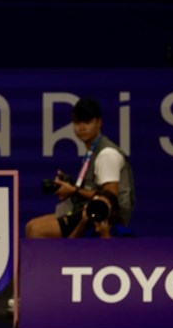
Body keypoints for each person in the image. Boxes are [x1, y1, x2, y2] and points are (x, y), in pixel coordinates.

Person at [24, 97, 135, 238]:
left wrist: (74, 190)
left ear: (99, 122)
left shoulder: (107, 154)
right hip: (86, 209)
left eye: (87, 122)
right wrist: (70, 186)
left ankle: (62, 260)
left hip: (103, 218)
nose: (81, 127)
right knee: (30, 226)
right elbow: (92, 188)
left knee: (37, 231)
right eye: (77, 122)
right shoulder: (92, 152)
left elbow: (110, 198)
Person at [68, 188, 134, 239]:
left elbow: (119, 254)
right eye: (96, 205)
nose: (99, 209)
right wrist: (83, 222)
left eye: (102, 206)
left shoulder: (124, 234)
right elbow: (68, 247)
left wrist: (105, 235)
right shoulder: (90, 232)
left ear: (113, 211)